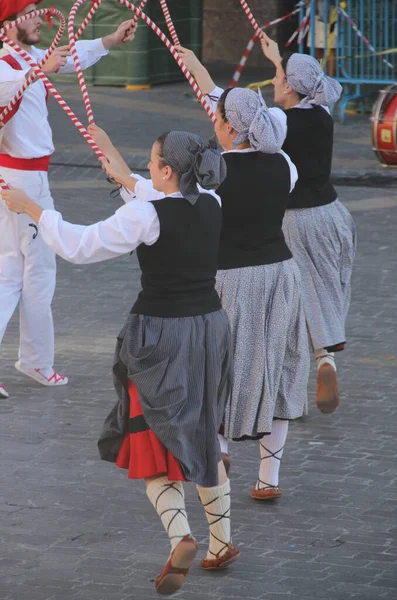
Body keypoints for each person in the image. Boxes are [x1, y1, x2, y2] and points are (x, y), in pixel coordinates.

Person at [3, 126, 240, 593]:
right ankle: (222, 542)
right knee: (201, 430)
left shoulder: (145, 219)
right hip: (210, 329)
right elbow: (151, 191)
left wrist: (33, 209)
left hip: (162, 334)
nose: (148, 169)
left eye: (152, 162)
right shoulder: (210, 201)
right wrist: (112, 154)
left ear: (168, 171)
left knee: (150, 438)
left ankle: (181, 536)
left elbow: (80, 244)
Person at [176, 47, 310, 501]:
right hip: (282, 274)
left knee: (219, 366)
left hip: (232, 279)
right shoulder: (283, 163)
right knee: (278, 364)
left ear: (231, 128)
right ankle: (268, 478)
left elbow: (176, 203)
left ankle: (218, 450)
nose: (213, 124)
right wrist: (195, 66)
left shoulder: (215, 173)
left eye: (218, 120)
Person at [0, 0, 136, 398]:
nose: (41, 18)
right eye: (30, 13)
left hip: (24, 178)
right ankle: (37, 361)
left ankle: (36, 360)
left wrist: (110, 40)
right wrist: (36, 72)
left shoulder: (27, 58)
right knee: (36, 270)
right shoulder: (9, 66)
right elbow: (9, 87)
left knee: (12, 271)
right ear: (7, 26)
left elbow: (69, 57)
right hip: (23, 180)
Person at [260, 33, 356, 414]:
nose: (273, 82)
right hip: (335, 215)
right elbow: (299, 84)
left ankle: (295, 393)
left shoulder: (279, 121)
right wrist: (277, 60)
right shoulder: (322, 110)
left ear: (291, 88)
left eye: (278, 79)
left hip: (297, 219)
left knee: (294, 302)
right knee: (326, 291)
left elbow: (246, 118)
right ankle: (325, 361)